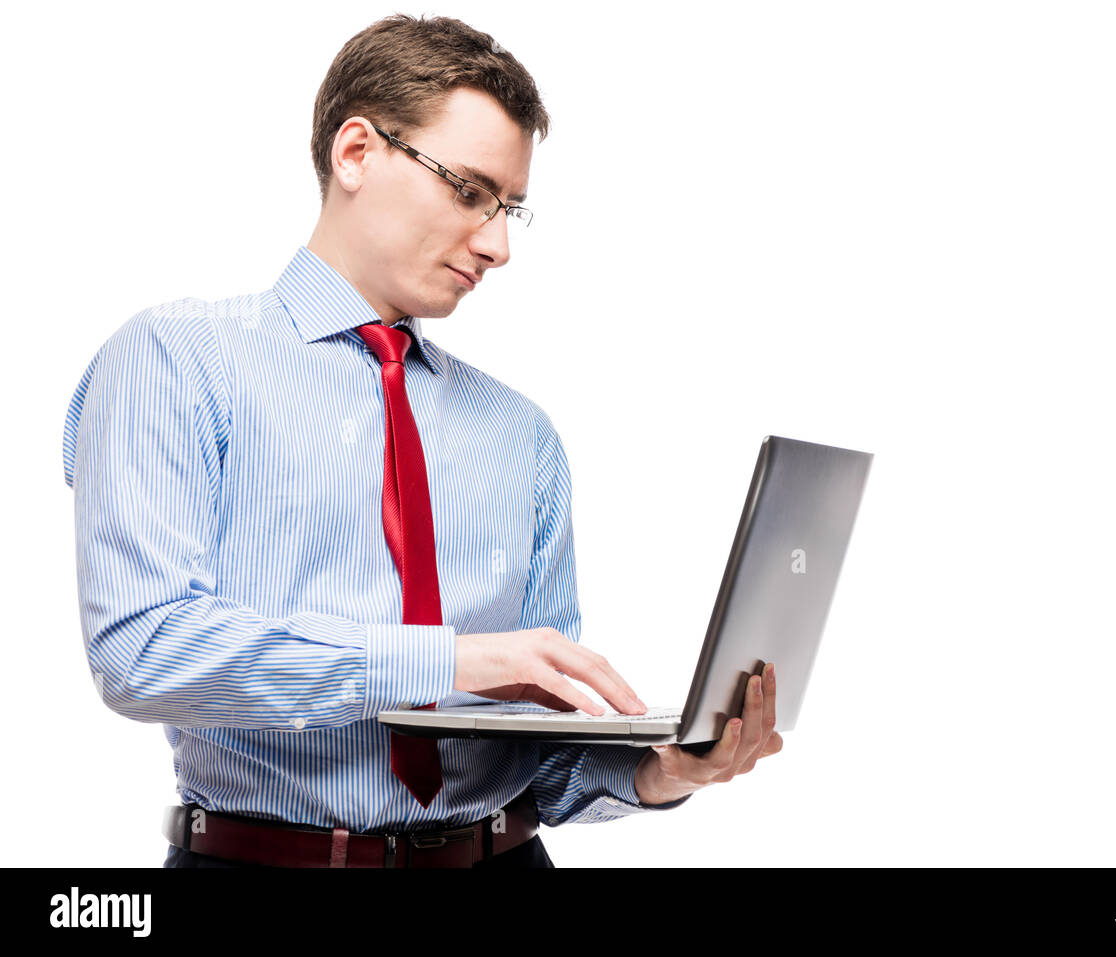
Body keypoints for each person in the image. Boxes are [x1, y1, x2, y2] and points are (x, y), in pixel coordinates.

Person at [61, 13, 781, 869]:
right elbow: (142, 652)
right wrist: (442, 659)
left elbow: (539, 759)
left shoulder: (523, 435)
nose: (500, 243)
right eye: (470, 190)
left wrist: (661, 770)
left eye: (510, 206)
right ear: (356, 151)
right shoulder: (176, 361)